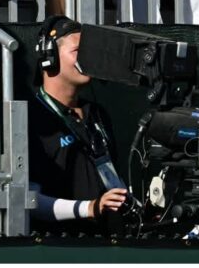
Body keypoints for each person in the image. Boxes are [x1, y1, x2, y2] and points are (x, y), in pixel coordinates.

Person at [26, 18, 134, 223]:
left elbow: (112, 182)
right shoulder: (32, 119)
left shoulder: (96, 113)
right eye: (78, 51)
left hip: (107, 240)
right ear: (50, 57)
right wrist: (90, 208)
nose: (87, 59)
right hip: (61, 245)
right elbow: (29, 201)